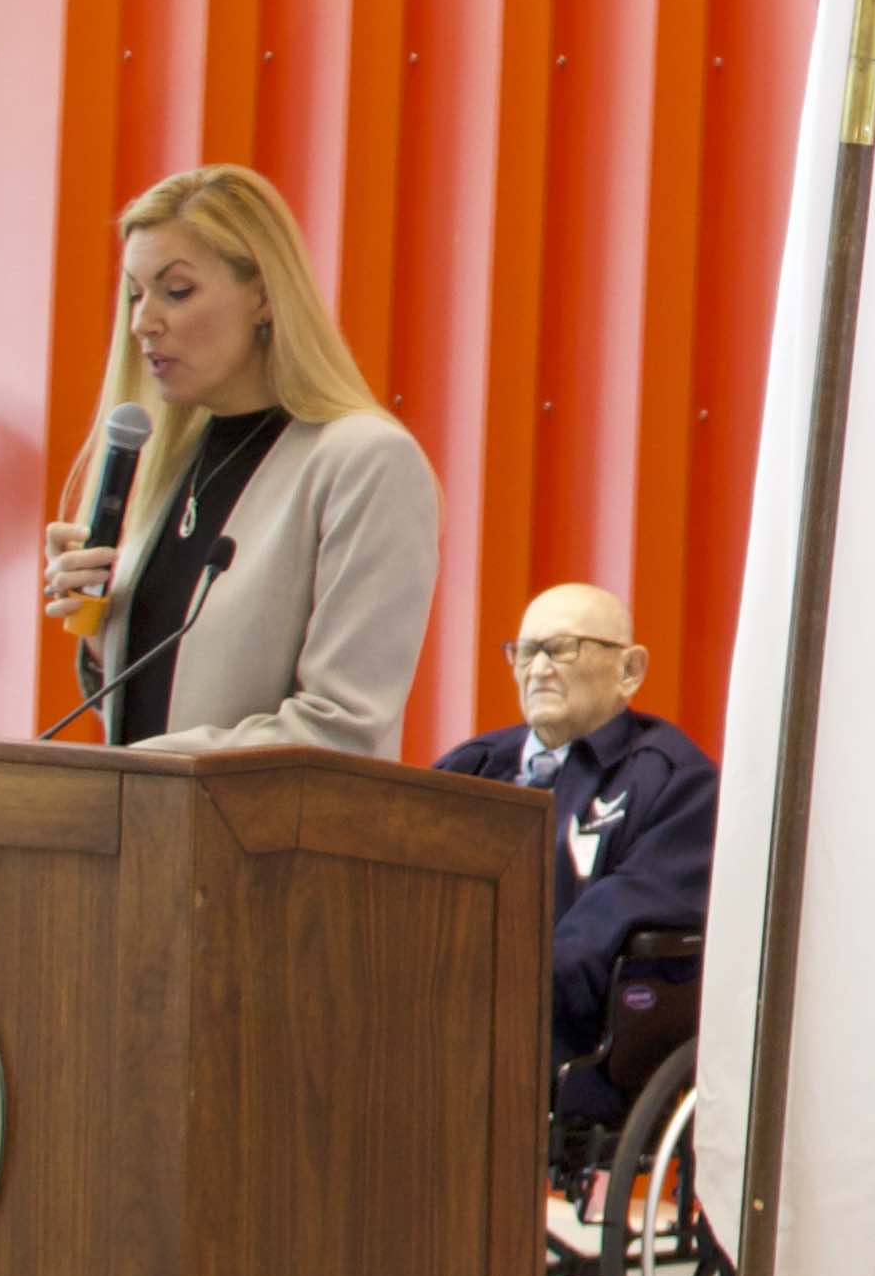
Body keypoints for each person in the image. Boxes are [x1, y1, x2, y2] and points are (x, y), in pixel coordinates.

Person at [36, 164, 438, 754]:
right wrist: (100, 627)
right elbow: (157, 706)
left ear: (264, 296)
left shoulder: (364, 463)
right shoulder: (170, 463)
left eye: (176, 291)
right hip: (154, 834)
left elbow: (342, 728)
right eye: (134, 294)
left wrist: (144, 768)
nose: (143, 323)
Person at [434, 583, 716, 1106]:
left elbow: (609, 924)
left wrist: (489, 988)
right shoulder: (472, 766)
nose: (537, 668)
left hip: (559, 1033)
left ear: (629, 669)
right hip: (439, 1015)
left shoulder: (675, 782)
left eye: (561, 649)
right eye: (524, 652)